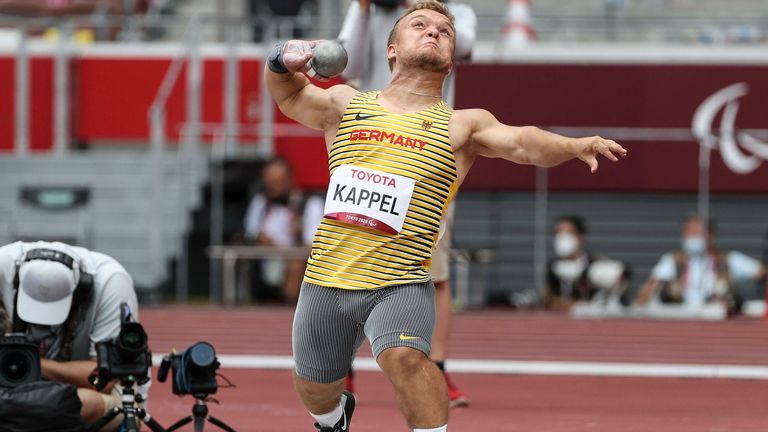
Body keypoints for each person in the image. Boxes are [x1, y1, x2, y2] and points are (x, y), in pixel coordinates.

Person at [264, 1, 627, 430]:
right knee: (315, 389)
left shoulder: (463, 125)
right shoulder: (345, 103)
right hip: (326, 277)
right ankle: (333, 417)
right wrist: (279, 61)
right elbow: (287, 96)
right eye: (420, 25)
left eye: (444, 31)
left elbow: (524, 143)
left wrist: (573, 147)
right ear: (392, 49)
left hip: (399, 280)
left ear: (451, 62)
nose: (433, 32)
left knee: (406, 358)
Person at [337, 0, 476, 407]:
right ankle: (341, 367)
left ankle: (438, 368)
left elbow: (463, 44)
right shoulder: (368, 8)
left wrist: (418, 8)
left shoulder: (453, 12)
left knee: (436, 269)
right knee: (349, 255)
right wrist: (363, 11)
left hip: (429, 145)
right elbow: (350, 62)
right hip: (370, 141)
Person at [0, 240, 143, 429]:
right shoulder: (3, 267)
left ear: (81, 288)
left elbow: (103, 380)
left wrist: (33, 364)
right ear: (16, 279)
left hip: (80, 391)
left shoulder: (111, 282)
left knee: (97, 404)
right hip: (9, 388)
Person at [634, 215, 766, 313]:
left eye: (696, 233)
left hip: (717, 319)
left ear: (711, 235)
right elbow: (652, 284)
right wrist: (640, 304)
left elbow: (761, 271)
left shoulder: (729, 259)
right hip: (681, 317)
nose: (691, 237)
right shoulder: (673, 259)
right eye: (687, 233)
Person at [242, 157, 324, 302]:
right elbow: (251, 230)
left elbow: (311, 245)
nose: (272, 187)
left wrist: (284, 250)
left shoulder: (310, 204)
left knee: (296, 264)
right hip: (264, 259)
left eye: (277, 183)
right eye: (268, 183)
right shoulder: (260, 202)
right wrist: (260, 238)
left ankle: (289, 308)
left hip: (293, 263)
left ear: (290, 180)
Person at [543, 215, 629, 311]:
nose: (562, 238)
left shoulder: (596, 262)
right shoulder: (554, 267)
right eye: (558, 233)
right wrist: (580, 307)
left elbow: (620, 280)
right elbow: (549, 300)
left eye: (567, 233)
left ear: (580, 237)